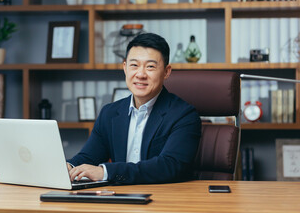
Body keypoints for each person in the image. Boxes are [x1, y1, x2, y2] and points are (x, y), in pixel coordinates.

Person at [67, 33, 201, 184]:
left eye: (150, 66)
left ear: (166, 72)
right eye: (134, 65)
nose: (141, 74)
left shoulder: (184, 115)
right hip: (120, 198)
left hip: (164, 199)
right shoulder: (110, 113)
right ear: (125, 67)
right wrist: (69, 166)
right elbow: (88, 157)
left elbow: (169, 165)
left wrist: (106, 172)